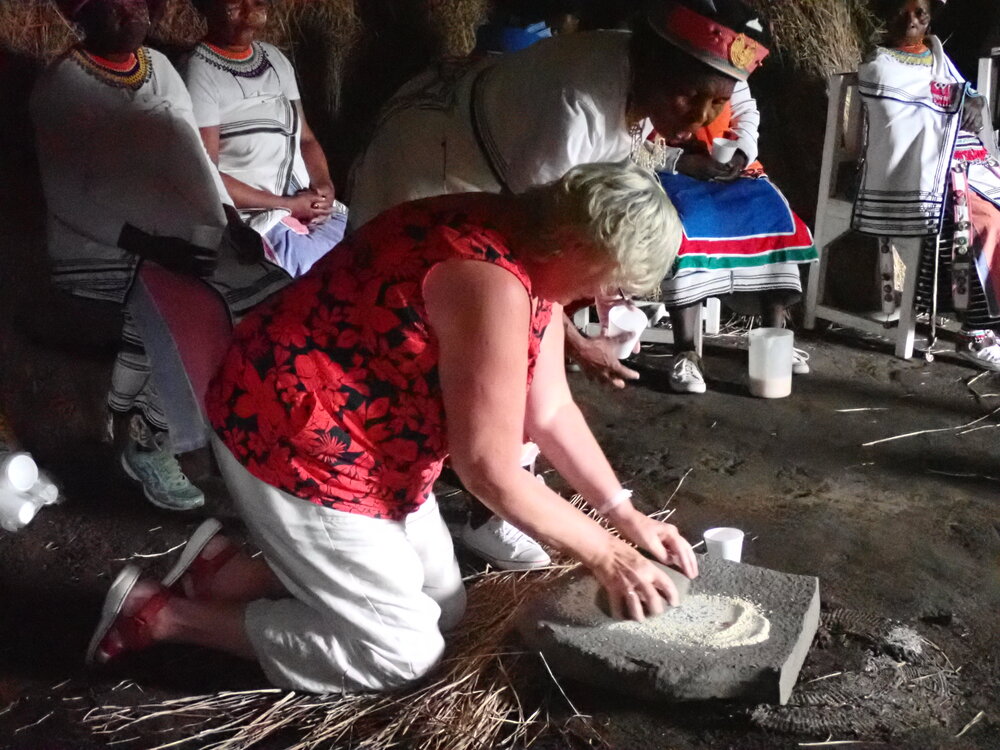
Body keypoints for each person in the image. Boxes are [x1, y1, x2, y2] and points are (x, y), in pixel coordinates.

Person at [85, 162, 701, 695]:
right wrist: (606, 554)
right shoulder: (488, 279)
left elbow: (550, 410)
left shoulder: (525, 240)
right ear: (573, 242)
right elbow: (488, 470)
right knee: (402, 652)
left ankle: (230, 574)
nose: (605, 295)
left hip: (377, 442)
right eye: (609, 277)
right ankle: (162, 616)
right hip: (298, 438)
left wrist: (624, 515)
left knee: (444, 609)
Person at [348, 0, 771, 567]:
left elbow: (552, 392)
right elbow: (542, 255)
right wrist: (577, 341)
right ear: (655, 63)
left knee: (514, 346)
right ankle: (455, 504)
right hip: (431, 165)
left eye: (716, 103)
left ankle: (444, 491)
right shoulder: (573, 108)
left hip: (500, 188)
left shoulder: (637, 82)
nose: (700, 118)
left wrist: (620, 513)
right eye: (690, 95)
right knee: (458, 344)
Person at [31, 0, 290, 511]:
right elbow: (67, 198)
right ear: (82, 17)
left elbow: (196, 157)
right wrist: (154, 247)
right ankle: (151, 442)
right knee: (195, 309)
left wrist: (231, 221)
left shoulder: (161, 68)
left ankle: (255, 426)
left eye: (139, 3)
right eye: (114, 4)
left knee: (274, 291)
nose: (131, 13)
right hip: (104, 245)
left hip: (178, 230)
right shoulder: (61, 87)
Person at [856, 0, 1000, 370]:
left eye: (919, 12)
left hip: (958, 165)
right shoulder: (879, 65)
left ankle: (993, 320)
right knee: (981, 221)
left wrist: (972, 101)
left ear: (930, 17)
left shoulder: (937, 57)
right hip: (915, 171)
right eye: (902, 11)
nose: (912, 20)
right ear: (887, 16)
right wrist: (954, 105)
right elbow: (900, 117)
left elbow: (961, 94)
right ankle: (974, 332)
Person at [656, 77, 817, 394]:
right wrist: (681, 161)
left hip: (731, 171)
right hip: (671, 171)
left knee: (773, 216)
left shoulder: (731, 72)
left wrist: (741, 155)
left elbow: (746, 113)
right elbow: (630, 141)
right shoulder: (662, 74)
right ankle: (685, 352)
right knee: (689, 225)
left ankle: (774, 341)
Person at [183, 0, 347, 278]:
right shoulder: (200, 71)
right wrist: (286, 205)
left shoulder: (274, 58)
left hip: (304, 202)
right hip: (258, 213)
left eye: (257, 2)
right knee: (316, 274)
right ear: (207, 7)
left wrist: (324, 185)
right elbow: (206, 174)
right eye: (235, 3)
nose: (249, 11)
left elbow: (305, 138)